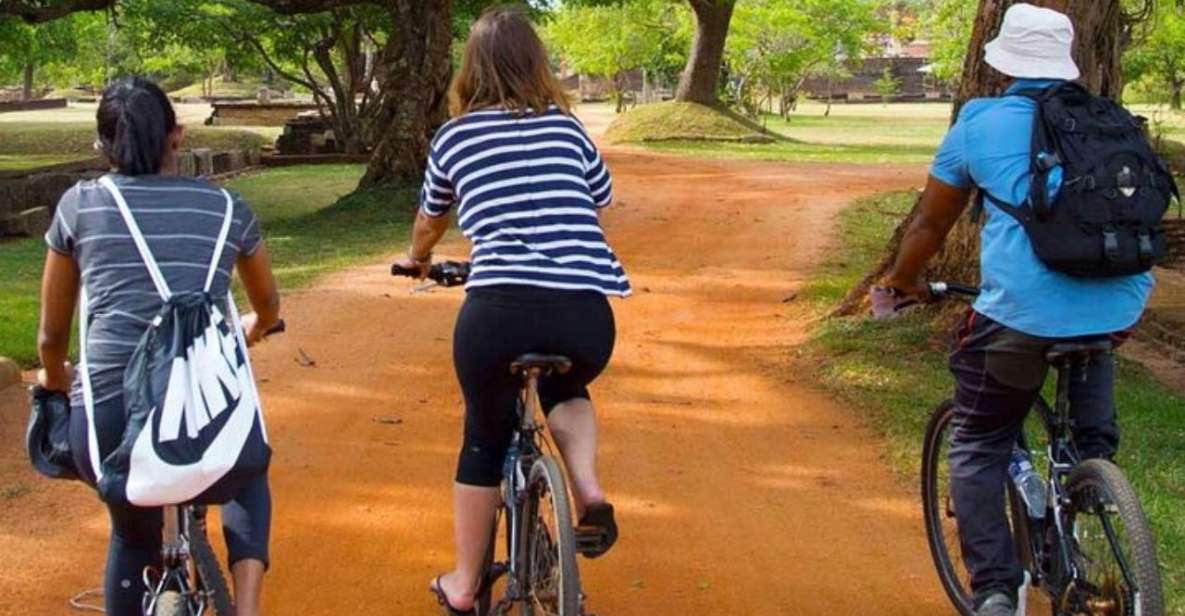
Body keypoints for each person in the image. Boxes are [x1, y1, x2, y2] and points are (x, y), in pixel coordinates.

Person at [875, 5, 1155, 616]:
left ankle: (997, 591)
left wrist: (901, 280)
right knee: (1087, 350)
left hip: (1022, 317)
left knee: (978, 439)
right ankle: (1091, 471)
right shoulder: (1111, 122)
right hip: (1122, 303)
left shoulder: (980, 121)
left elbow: (931, 220)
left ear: (1002, 61)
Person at [391, 6, 629, 614]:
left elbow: (430, 218)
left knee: (484, 436)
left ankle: (465, 585)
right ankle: (589, 488)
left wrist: (419, 258)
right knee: (568, 381)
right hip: (583, 311)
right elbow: (599, 199)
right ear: (537, 63)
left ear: (472, 67)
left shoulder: (457, 135)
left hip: (496, 311)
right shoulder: (569, 129)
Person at [37, 77, 280, 616]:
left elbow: (51, 338)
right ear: (179, 135)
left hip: (108, 421)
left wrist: (54, 378)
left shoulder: (79, 207)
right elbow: (268, 306)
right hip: (204, 411)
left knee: (131, 534)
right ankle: (247, 608)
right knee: (245, 475)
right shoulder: (227, 207)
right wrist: (256, 326)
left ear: (101, 147)